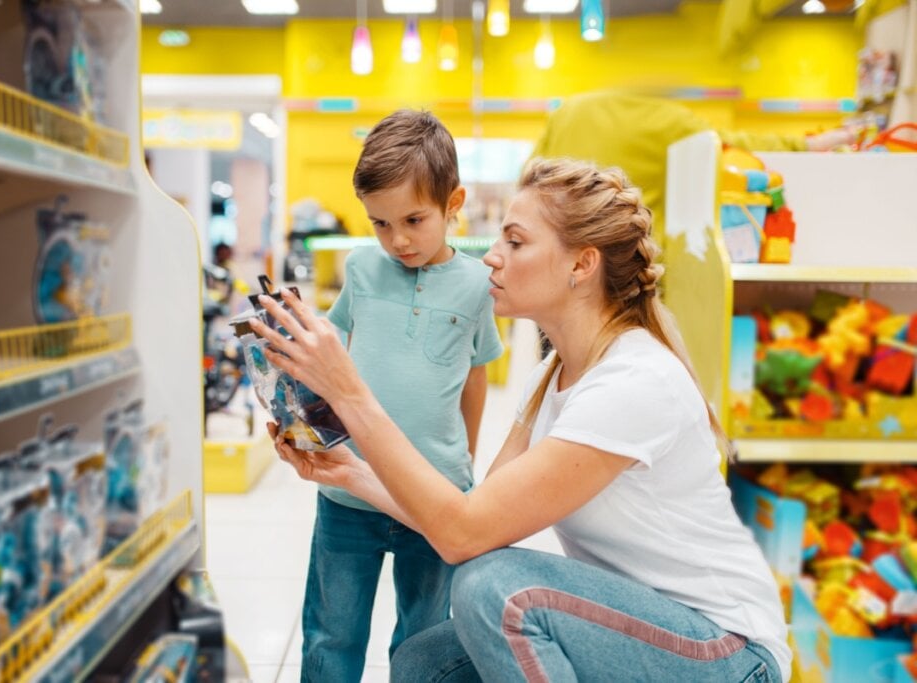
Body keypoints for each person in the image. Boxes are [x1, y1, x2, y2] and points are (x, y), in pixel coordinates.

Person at [250, 157, 791, 682]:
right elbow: (470, 524)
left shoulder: (634, 382)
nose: (491, 257)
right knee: (423, 661)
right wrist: (351, 473)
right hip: (630, 631)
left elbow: (465, 540)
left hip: (727, 655)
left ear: (582, 265)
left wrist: (349, 392)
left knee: (497, 590)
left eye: (515, 240)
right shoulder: (548, 380)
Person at [293, 109, 504, 682]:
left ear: (452, 202)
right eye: (380, 224)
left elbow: (475, 375)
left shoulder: (480, 284)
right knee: (331, 635)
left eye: (413, 219)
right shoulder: (362, 269)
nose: (398, 240)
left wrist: (465, 463)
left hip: (432, 500)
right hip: (348, 498)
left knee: (424, 638)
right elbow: (337, 354)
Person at [533, 91, 857, 253]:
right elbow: (738, 145)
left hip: (560, 259)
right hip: (626, 266)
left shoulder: (571, 111)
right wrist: (812, 144)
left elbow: (530, 179)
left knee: (560, 370)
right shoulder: (670, 121)